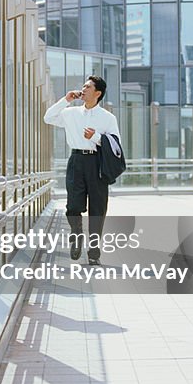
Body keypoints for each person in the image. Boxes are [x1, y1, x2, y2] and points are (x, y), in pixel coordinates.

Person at [44, 75, 120, 264]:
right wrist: (65, 100)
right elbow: (48, 118)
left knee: (97, 209)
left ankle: (94, 254)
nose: (83, 89)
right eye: (83, 86)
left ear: (98, 93)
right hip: (76, 161)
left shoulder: (108, 118)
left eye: (88, 87)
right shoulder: (71, 113)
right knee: (73, 205)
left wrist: (96, 137)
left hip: (97, 164)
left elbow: (116, 146)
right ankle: (76, 235)